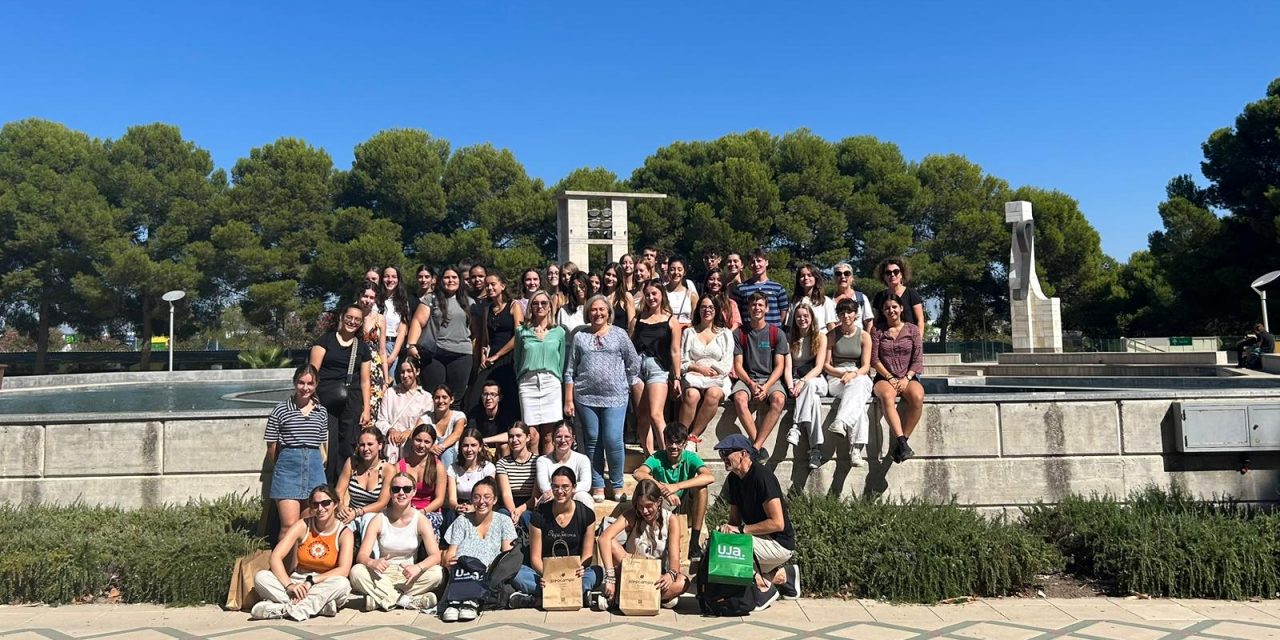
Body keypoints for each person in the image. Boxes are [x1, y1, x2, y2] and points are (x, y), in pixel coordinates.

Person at [565, 295, 642, 502]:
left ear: (609, 312)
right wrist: (569, 399)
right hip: (585, 396)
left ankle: (617, 484)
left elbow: (633, 362)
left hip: (615, 396)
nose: (598, 313)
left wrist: (623, 381)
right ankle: (597, 484)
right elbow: (570, 369)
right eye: (593, 310)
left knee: (613, 439)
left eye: (602, 309)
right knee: (592, 440)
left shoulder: (619, 334)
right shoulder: (580, 336)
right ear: (588, 313)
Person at [251, 485, 354, 621]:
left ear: (335, 504)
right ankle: (317, 607)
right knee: (261, 577)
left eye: (325, 503)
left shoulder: (344, 533)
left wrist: (311, 581)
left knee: (342, 584)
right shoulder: (303, 525)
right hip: (299, 580)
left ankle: (284, 609)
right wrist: (289, 585)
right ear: (311, 507)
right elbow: (275, 557)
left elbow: (344, 570)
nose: (320, 509)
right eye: (315, 504)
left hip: (324, 582)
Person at [714, 434, 797, 603]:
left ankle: (764, 589)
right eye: (721, 453)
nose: (723, 457)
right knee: (718, 543)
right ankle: (785, 576)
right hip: (759, 539)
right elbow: (734, 522)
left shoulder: (762, 477)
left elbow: (777, 523)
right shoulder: (734, 479)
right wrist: (726, 530)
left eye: (726, 452)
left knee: (730, 551)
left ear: (743, 454)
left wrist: (742, 531)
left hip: (779, 542)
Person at [350, 472, 445, 611]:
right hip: (382, 574)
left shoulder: (421, 520)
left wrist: (418, 567)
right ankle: (407, 601)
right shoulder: (378, 519)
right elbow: (362, 556)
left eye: (406, 489)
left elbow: (435, 556)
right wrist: (372, 562)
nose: (401, 493)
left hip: (408, 574)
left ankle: (381, 598)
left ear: (414, 491)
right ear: (390, 492)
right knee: (356, 572)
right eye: (396, 489)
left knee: (438, 573)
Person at [509, 466, 602, 609]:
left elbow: (588, 554)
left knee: (596, 572)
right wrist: (547, 576)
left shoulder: (586, 514)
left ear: (574, 487)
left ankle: (540, 598)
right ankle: (575, 596)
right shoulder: (539, 514)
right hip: (546, 573)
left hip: (573, 574)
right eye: (555, 487)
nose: (560, 491)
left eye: (565, 487)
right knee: (517, 573)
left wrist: (580, 568)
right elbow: (535, 558)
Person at [597, 479, 688, 611]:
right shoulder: (631, 515)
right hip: (631, 570)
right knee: (610, 542)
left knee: (682, 582)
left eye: (649, 506)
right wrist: (610, 577)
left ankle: (624, 596)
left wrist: (671, 574)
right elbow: (603, 539)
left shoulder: (671, 520)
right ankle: (653, 597)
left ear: (659, 502)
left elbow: (674, 558)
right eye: (640, 506)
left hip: (654, 575)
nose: (644, 511)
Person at [310, 303, 373, 482]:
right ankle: (325, 485)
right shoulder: (325, 340)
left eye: (357, 320)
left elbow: (365, 380)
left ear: (361, 324)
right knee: (328, 444)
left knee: (348, 444)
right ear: (341, 317)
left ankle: (341, 487)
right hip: (326, 398)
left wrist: (366, 408)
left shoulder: (362, 347)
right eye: (349, 317)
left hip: (351, 398)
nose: (352, 322)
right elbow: (312, 372)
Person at [632, 423, 713, 561]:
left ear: (685, 443)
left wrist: (677, 486)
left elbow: (709, 476)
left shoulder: (690, 457)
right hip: (663, 504)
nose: (674, 447)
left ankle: (694, 541)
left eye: (678, 442)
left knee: (702, 488)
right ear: (665, 441)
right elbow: (638, 473)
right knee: (646, 489)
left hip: (684, 503)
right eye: (670, 442)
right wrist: (664, 490)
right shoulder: (658, 457)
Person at [440, 477, 516, 622]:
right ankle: (455, 601)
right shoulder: (462, 521)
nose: (482, 502)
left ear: (494, 500)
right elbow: (451, 551)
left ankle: (471, 600)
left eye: (487, 497)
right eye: (477, 497)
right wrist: (450, 561)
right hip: (461, 573)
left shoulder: (503, 521)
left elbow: (507, 555)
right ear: (472, 500)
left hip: (487, 573)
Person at [264, 365, 329, 534]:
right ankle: (283, 561)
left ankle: (304, 561)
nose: (305, 388)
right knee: (289, 525)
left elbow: (323, 441)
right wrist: (282, 464)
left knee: (311, 523)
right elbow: (271, 445)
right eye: (301, 383)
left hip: (314, 469)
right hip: (288, 470)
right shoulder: (280, 410)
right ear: (295, 383)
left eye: (310, 383)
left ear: (316, 385)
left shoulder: (321, 412)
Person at [730, 293, 789, 463]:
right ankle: (759, 446)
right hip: (747, 378)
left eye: (761, 305)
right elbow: (738, 366)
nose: (757, 308)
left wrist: (766, 386)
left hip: (770, 379)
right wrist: (751, 383)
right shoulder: (739, 333)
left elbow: (780, 366)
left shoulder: (776, 333)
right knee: (740, 399)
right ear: (748, 308)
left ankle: (755, 447)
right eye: (754, 305)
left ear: (767, 308)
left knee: (778, 399)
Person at [872, 293, 925, 463]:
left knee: (917, 396)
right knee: (887, 396)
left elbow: (917, 359)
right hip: (884, 378)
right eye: (887, 308)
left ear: (901, 308)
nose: (891, 310)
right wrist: (890, 378)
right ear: (883, 311)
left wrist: (907, 378)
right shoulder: (877, 330)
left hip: (907, 377)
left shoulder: (912, 330)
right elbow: (874, 359)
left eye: (894, 307)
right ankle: (902, 442)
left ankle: (903, 443)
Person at [632, 279, 683, 456]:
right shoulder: (638, 319)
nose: (651, 297)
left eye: (654, 293)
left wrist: (676, 378)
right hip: (638, 367)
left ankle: (666, 454)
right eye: (647, 294)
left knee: (656, 414)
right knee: (642, 415)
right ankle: (648, 455)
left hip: (658, 367)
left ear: (662, 295)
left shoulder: (671, 321)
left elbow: (675, 351)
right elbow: (630, 345)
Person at [823, 298, 875, 466]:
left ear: (855, 314)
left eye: (849, 312)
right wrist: (841, 374)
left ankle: (841, 421)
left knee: (858, 386)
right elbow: (825, 365)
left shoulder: (864, 336)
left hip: (858, 375)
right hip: (837, 376)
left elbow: (866, 366)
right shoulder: (831, 335)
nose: (846, 315)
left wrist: (853, 374)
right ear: (838, 315)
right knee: (858, 404)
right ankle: (856, 449)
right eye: (842, 312)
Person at [679, 295, 734, 450]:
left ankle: (693, 437)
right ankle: (680, 436)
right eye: (703, 307)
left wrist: (712, 371)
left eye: (710, 307)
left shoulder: (725, 334)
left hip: (717, 378)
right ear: (698, 310)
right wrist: (697, 369)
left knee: (714, 394)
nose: (707, 310)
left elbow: (727, 363)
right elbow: (682, 362)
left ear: (716, 310)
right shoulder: (689, 332)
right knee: (692, 395)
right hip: (693, 377)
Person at [469, 272, 523, 427]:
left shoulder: (514, 305)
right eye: (487, 285)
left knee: (509, 399)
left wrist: (498, 355)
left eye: (493, 284)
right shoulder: (487, 309)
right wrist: (483, 355)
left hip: (508, 359)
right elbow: (484, 337)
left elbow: (519, 335)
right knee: (476, 397)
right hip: (490, 358)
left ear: (502, 286)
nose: (490, 287)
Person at [414, 267, 474, 403]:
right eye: (447, 277)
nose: (451, 280)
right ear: (441, 280)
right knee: (433, 397)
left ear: (460, 280)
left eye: (454, 277)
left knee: (456, 398)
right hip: (435, 353)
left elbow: (475, 332)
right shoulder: (431, 299)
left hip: (462, 354)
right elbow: (418, 321)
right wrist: (412, 345)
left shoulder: (470, 302)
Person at [515, 289, 565, 449]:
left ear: (550, 306)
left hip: (551, 383)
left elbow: (561, 361)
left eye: (544, 303)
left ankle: (549, 472)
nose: (540, 306)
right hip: (528, 383)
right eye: (535, 303)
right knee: (532, 435)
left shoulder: (559, 332)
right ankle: (533, 472)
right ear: (530, 307)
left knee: (550, 436)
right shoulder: (521, 331)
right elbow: (517, 359)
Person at [784, 304, 829, 469]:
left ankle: (796, 427)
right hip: (798, 383)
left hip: (817, 380)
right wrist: (790, 386)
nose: (802, 319)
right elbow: (787, 367)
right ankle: (815, 450)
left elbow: (818, 367)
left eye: (805, 316)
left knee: (809, 385)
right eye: (798, 316)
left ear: (811, 318)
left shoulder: (821, 337)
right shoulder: (789, 339)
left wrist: (802, 381)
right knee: (814, 402)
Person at [334, 427, 394, 533]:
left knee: (368, 520)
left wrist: (358, 513)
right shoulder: (352, 463)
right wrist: (341, 507)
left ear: (380, 445)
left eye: (370, 444)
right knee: (341, 527)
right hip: (351, 512)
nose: (365, 449)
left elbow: (382, 503)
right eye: (362, 445)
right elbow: (339, 491)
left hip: (375, 515)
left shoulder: (388, 469)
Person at [375, 359, 431, 463]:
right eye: (402, 372)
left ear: (417, 371)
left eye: (409, 371)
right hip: (392, 446)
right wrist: (390, 430)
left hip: (412, 446)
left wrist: (412, 432)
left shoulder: (426, 398)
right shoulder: (390, 393)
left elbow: (427, 424)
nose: (405, 375)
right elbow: (380, 421)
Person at [444, 428, 497, 534]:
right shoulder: (453, 468)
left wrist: (474, 507)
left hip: (481, 505)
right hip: (460, 506)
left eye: (473, 445)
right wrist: (457, 507)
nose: (469, 450)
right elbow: (452, 500)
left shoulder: (488, 468)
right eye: (465, 445)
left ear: (480, 447)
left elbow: (489, 496)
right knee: (450, 514)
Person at [399, 423, 447, 538]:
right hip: (405, 510)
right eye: (418, 440)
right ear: (412, 440)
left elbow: (440, 499)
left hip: (429, 511)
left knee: (425, 525)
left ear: (432, 444)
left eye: (427, 442)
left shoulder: (438, 467)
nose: (421, 445)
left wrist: (422, 512)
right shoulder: (401, 465)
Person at [535, 422, 594, 510]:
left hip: (573, 496)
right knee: (547, 497)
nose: (563, 440)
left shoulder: (582, 459)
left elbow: (586, 484)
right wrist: (560, 492)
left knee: (583, 496)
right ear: (553, 439)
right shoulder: (543, 461)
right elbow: (544, 486)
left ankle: (587, 523)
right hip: (553, 497)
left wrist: (564, 491)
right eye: (559, 437)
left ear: (573, 439)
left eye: (567, 436)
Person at [731, 248, 790, 328]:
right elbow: (736, 314)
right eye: (752, 262)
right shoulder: (741, 288)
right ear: (748, 265)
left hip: (772, 335)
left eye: (759, 261)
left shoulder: (778, 288)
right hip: (748, 335)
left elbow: (783, 313)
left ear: (766, 262)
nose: (756, 264)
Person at [496, 422, 539, 529]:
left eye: (518, 436)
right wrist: (513, 512)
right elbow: (506, 494)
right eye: (511, 437)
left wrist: (519, 511)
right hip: (510, 503)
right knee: (502, 515)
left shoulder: (538, 461)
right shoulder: (502, 463)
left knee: (526, 516)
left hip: (530, 504)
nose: (514, 440)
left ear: (528, 437)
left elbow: (535, 496)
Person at [357, 283, 388, 418]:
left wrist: (386, 379)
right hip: (356, 364)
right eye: (365, 296)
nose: (367, 300)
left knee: (373, 406)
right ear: (359, 296)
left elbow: (382, 350)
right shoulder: (352, 316)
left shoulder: (380, 319)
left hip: (374, 367)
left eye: (371, 297)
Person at [420, 385, 467, 468]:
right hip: (430, 454)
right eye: (437, 397)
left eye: (444, 397)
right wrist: (430, 447)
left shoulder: (458, 416)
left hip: (453, 458)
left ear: (451, 400)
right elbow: (414, 433)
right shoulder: (426, 417)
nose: (440, 401)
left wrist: (440, 447)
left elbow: (456, 434)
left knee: (447, 452)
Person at [872, 257, 925, 328]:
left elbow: (920, 320)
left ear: (902, 274)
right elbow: (875, 321)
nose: (892, 275)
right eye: (888, 273)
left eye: (896, 271)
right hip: (885, 337)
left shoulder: (911, 293)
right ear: (884, 276)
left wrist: (918, 338)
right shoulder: (879, 296)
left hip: (909, 337)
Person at [468, 380, 513, 453]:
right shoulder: (475, 415)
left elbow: (511, 434)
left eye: (493, 394)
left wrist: (484, 440)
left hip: (499, 450)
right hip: (481, 450)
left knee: (504, 446)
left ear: (499, 398)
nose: (488, 398)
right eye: (485, 394)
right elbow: (471, 434)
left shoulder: (506, 415)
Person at [791, 263, 836, 333]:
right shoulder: (795, 301)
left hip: (820, 339)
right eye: (802, 276)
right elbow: (791, 326)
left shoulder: (825, 301)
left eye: (809, 275)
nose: (806, 278)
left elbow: (831, 326)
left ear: (815, 278)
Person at [830, 262, 874, 331]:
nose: (842, 276)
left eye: (846, 273)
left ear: (852, 278)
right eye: (838, 274)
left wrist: (867, 339)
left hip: (858, 340)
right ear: (834, 278)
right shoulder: (828, 300)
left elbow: (869, 322)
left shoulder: (861, 298)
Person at [382, 266, 411, 367]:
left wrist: (392, 357)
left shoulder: (403, 302)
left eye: (394, 277)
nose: (390, 280)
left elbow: (402, 331)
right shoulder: (375, 299)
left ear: (398, 280)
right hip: (374, 345)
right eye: (386, 276)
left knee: (391, 381)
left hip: (392, 346)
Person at [664, 257, 699, 326]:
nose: (676, 272)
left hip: (685, 332)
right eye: (672, 269)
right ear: (668, 271)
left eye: (679, 270)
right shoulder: (662, 292)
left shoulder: (692, 295)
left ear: (684, 272)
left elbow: (697, 320)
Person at [603, 262, 636, 332]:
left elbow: (631, 325)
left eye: (614, 276)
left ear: (619, 278)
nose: (610, 278)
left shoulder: (626, 297)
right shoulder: (599, 297)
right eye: (608, 274)